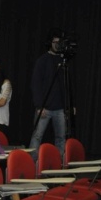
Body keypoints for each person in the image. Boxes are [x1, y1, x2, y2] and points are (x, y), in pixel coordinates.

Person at [30, 30, 69, 158]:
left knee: (61, 137)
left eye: (59, 42)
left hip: (60, 108)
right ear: (50, 43)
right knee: (37, 136)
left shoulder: (64, 61)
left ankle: (59, 163)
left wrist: (70, 105)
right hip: (44, 107)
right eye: (55, 42)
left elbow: (67, 84)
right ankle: (32, 163)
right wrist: (39, 106)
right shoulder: (42, 61)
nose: (57, 45)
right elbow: (36, 84)